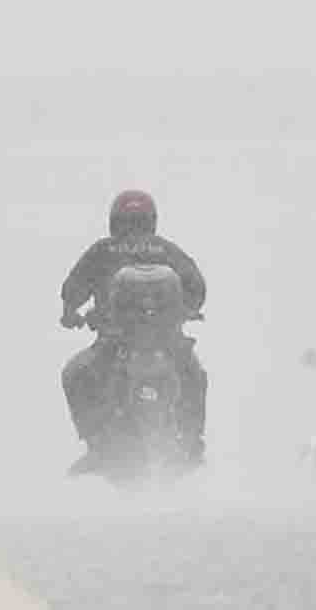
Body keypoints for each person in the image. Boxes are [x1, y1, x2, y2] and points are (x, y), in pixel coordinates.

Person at [60, 190, 208, 471]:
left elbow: (72, 289)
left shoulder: (101, 251)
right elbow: (197, 286)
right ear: (152, 220)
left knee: (74, 374)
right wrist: (189, 308)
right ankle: (193, 443)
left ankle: (95, 444)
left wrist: (70, 313)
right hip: (168, 342)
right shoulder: (167, 250)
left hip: (113, 342)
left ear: (114, 220)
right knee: (196, 376)